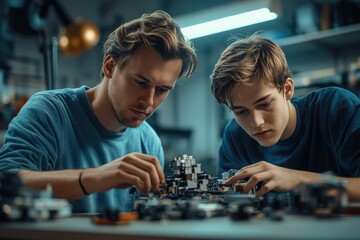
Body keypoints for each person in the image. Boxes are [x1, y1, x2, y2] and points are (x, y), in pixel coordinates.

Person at [0, 10, 197, 213]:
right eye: (140, 82)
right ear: (110, 66)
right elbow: (7, 182)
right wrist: (95, 177)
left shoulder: (149, 143)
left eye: (162, 90)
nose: (148, 101)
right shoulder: (49, 112)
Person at [210, 34, 360, 200]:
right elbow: (228, 200)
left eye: (264, 104)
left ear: (287, 89)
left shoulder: (335, 108)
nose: (256, 122)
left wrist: (298, 180)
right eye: (241, 112)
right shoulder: (235, 136)